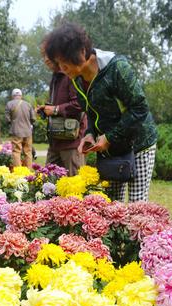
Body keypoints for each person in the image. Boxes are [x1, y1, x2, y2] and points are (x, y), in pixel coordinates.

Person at [44, 23, 158, 202]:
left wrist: (110, 137)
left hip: (139, 143)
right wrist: (90, 134)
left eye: (64, 62)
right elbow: (90, 111)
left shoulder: (116, 68)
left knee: (137, 205)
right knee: (110, 203)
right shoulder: (76, 79)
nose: (62, 68)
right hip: (110, 148)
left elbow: (140, 108)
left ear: (82, 52)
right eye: (59, 63)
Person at [38, 42, 86, 176]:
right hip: (55, 139)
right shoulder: (55, 77)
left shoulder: (70, 74)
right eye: (44, 56)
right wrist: (47, 108)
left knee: (75, 186)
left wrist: (55, 109)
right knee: (48, 185)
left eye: (49, 55)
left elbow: (79, 104)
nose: (46, 59)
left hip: (71, 141)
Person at [5, 89, 36, 168]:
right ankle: (29, 172)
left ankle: (18, 173)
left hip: (16, 132)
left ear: (12, 96)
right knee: (28, 152)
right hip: (28, 132)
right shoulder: (28, 104)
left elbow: (7, 119)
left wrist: (12, 123)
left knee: (16, 152)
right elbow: (33, 119)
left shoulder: (9, 104)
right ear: (21, 96)